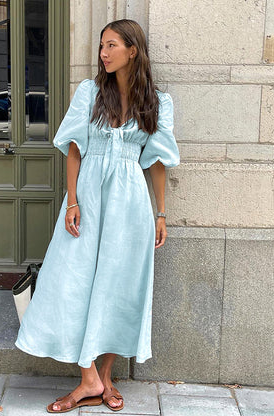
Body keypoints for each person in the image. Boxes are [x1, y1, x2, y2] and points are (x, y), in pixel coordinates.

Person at [15, 19, 180, 413]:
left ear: (132, 51)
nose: (104, 54)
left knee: (118, 288)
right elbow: (74, 149)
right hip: (88, 198)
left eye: (111, 46)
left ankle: (103, 379)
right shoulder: (90, 92)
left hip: (130, 206)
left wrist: (160, 213)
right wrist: (72, 202)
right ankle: (88, 377)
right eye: (101, 46)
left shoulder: (158, 101)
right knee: (69, 280)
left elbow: (156, 163)